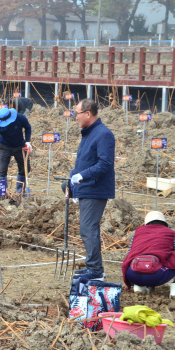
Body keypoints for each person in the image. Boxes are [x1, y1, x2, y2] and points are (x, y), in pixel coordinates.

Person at [70, 98, 115, 281]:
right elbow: (83, 161)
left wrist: (82, 176)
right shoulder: (88, 133)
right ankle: (93, 267)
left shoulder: (103, 134)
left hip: (95, 189)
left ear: (88, 114)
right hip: (86, 187)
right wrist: (72, 181)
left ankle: (96, 271)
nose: (75, 118)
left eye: (77, 114)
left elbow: (105, 163)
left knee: (89, 229)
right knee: (86, 229)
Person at [121, 211, 175, 298]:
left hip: (132, 275)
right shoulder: (171, 233)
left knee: (134, 256)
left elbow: (129, 254)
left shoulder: (138, 232)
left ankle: (139, 287)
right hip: (156, 276)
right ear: (164, 222)